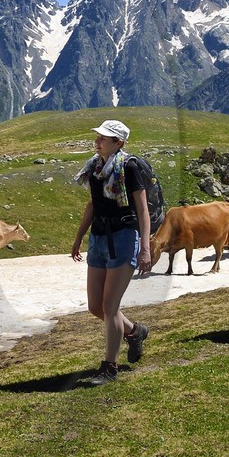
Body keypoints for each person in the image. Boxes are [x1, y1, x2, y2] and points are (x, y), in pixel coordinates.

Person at [70, 119, 153, 385]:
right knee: (96, 306)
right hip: (98, 238)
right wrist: (78, 237)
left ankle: (110, 366)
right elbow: (92, 206)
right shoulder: (95, 167)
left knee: (109, 306)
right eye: (98, 136)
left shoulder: (129, 167)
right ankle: (135, 331)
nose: (98, 141)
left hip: (124, 237)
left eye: (104, 138)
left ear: (119, 142)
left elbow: (142, 209)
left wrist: (145, 248)